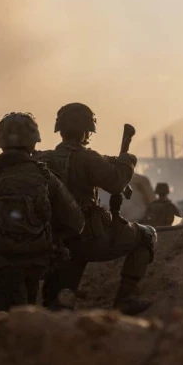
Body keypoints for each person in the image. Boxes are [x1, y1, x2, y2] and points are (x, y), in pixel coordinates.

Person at [36, 103, 157, 315]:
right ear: (86, 131)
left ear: (60, 130)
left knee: (57, 301)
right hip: (89, 238)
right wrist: (126, 163)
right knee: (146, 235)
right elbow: (116, 183)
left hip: (54, 240)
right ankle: (126, 299)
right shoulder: (88, 157)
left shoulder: (43, 158)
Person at [0, 112, 84, 312]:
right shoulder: (44, 175)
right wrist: (49, 242)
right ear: (34, 141)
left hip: (1, 266)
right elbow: (75, 223)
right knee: (29, 320)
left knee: (7, 329)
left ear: (0, 141)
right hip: (37, 263)